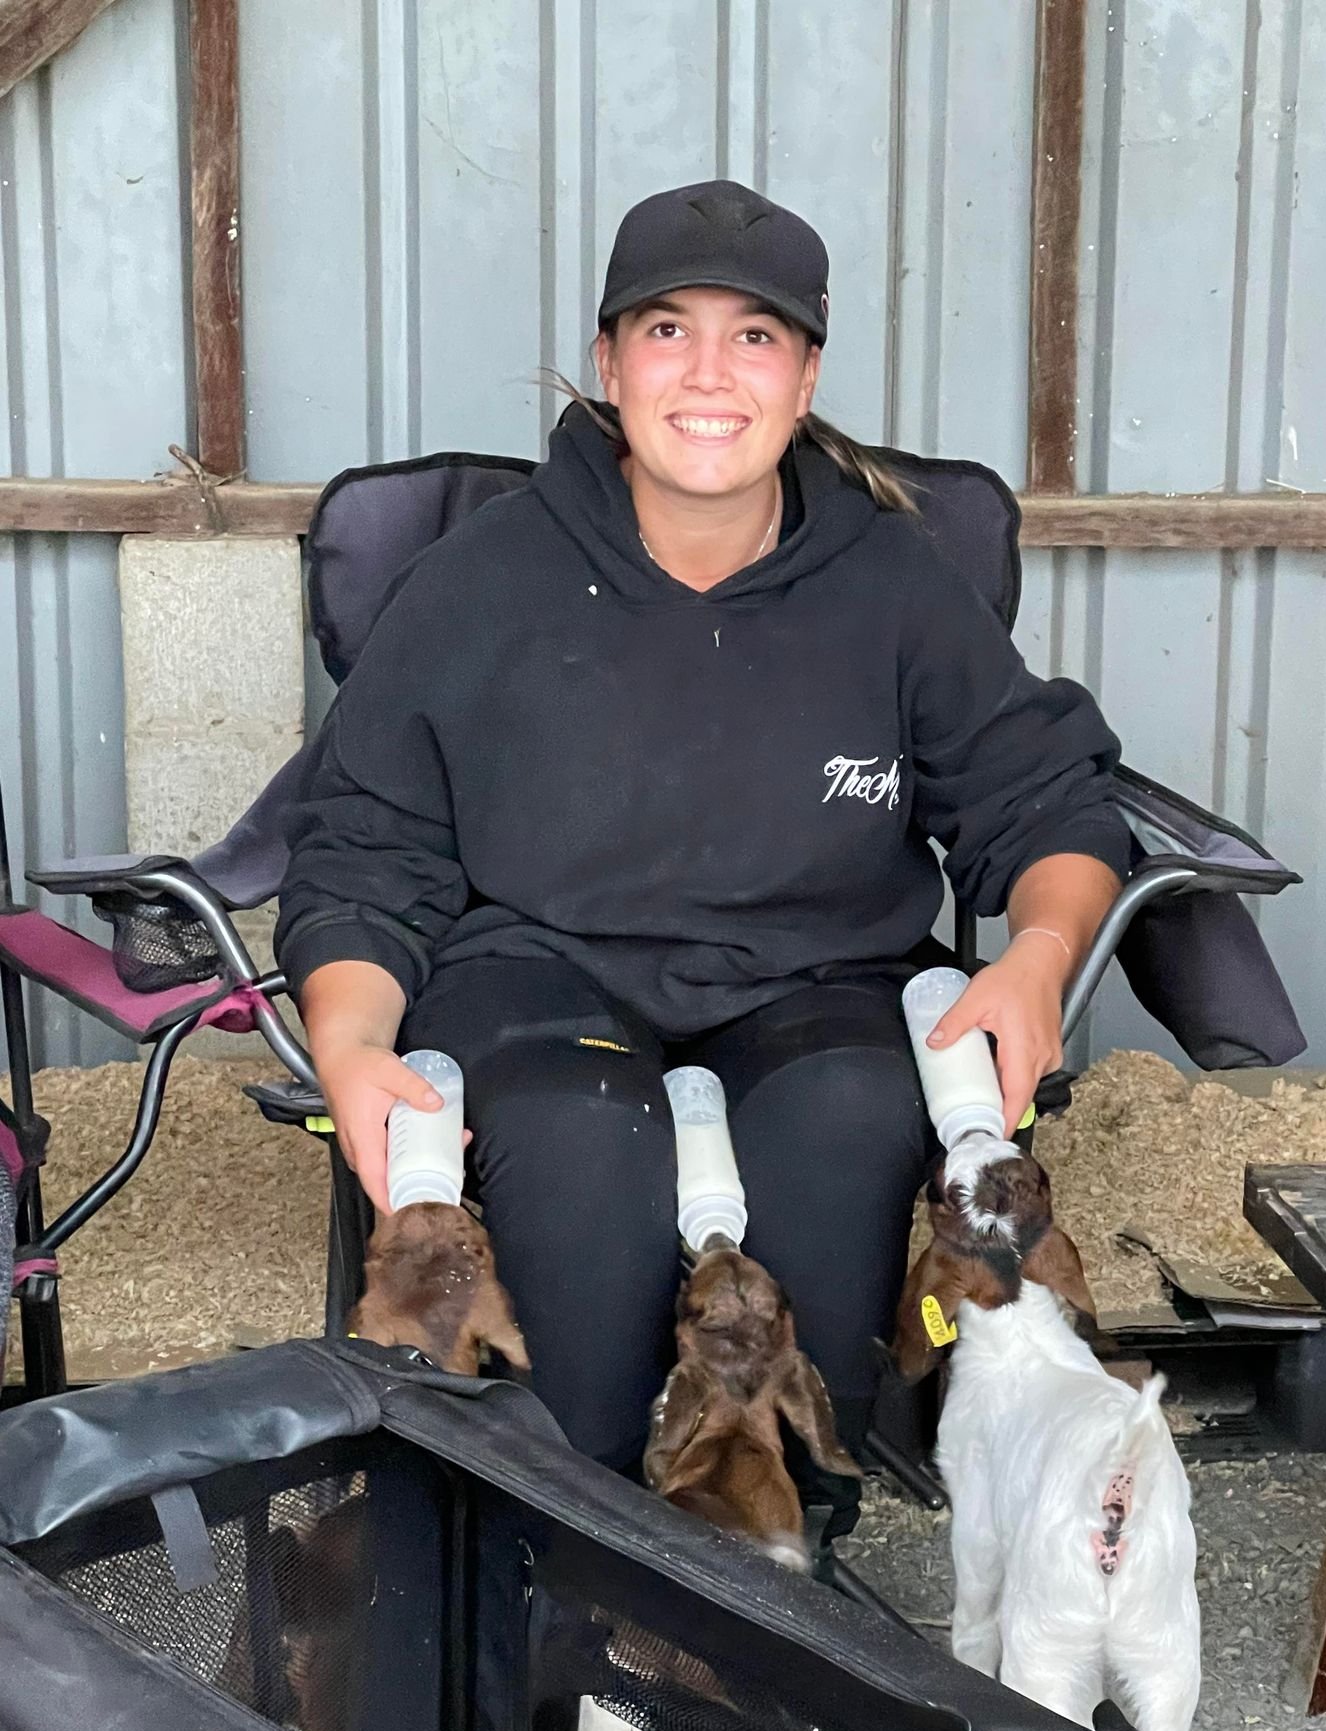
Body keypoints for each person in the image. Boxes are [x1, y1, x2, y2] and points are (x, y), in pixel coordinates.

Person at [276, 179, 1131, 1474]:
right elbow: (361, 847)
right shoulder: (477, 584)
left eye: (755, 336)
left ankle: (791, 1569)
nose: (709, 373)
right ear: (610, 363)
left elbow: (1045, 792)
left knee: (844, 1112)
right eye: (668, 330)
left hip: (821, 982)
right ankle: (572, 1573)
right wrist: (350, 1043)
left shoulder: (895, 584)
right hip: (536, 981)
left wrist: (1038, 954)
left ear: (804, 376)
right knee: (582, 1141)